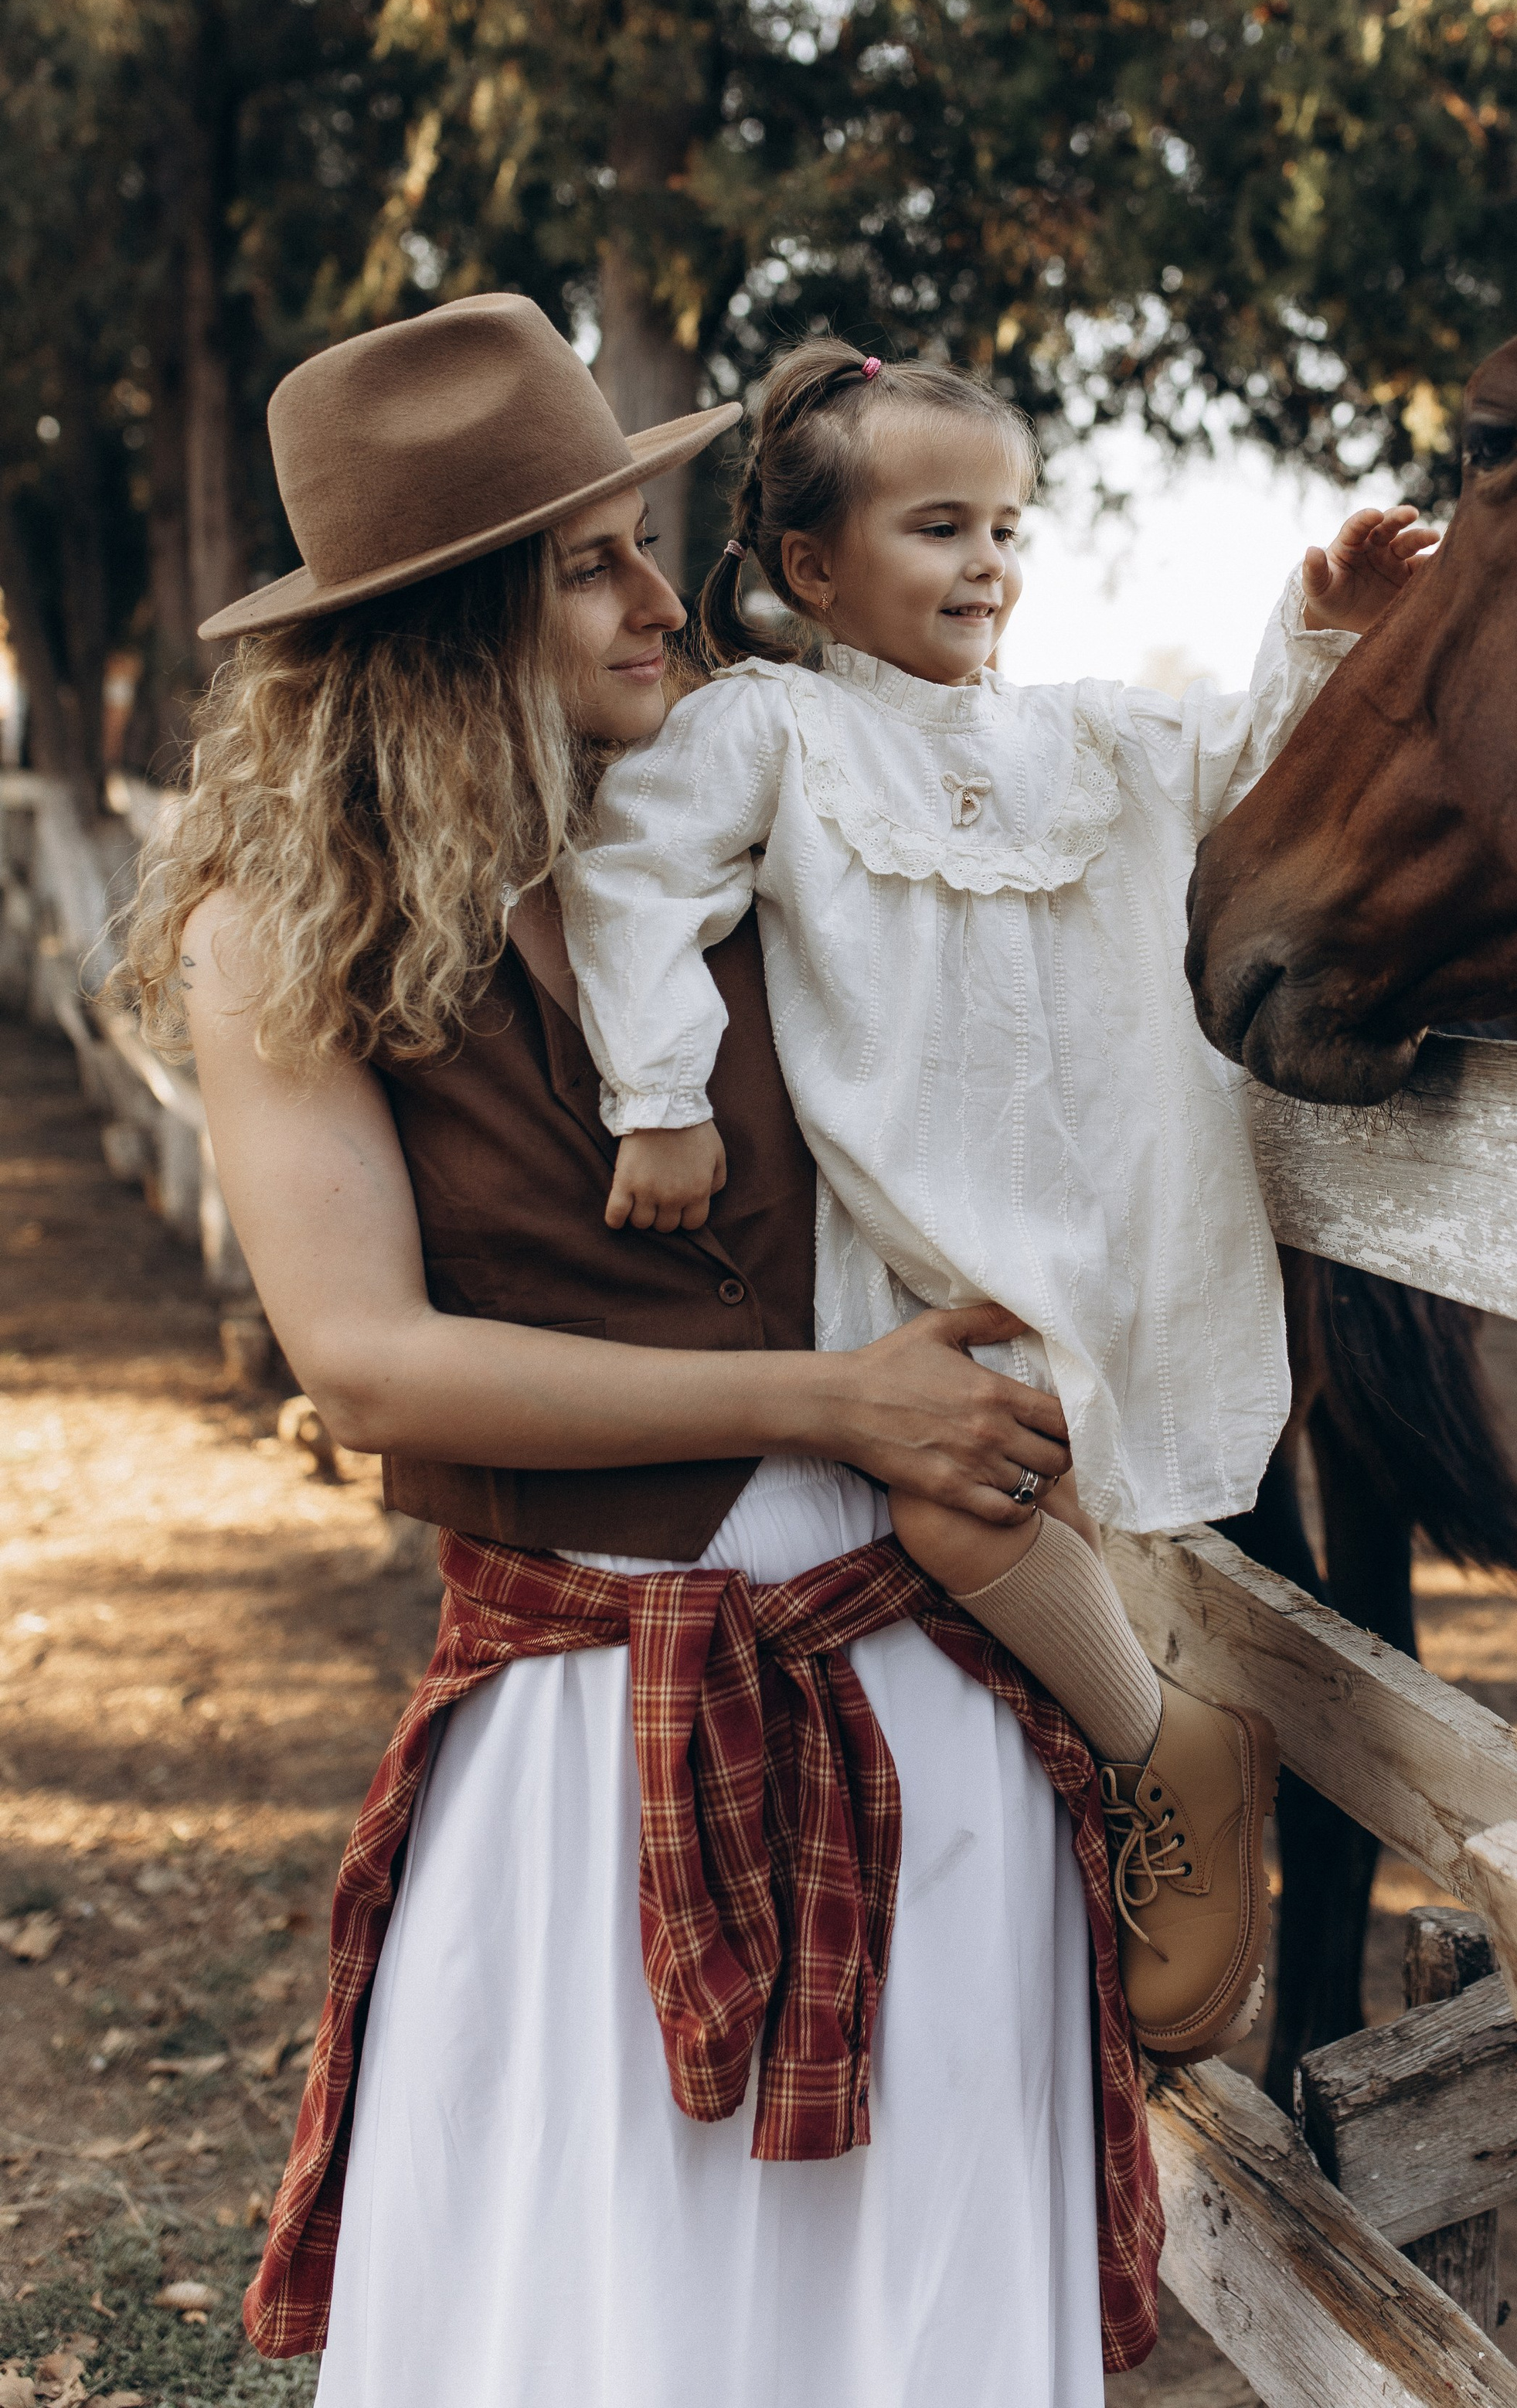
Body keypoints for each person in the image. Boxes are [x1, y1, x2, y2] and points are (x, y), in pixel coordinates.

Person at [120, 293, 1162, 2408]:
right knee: (601, 2323)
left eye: (641, 539)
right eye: (588, 561)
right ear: (447, 620)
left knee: (908, 2316)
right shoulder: (279, 927)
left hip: (916, 1709)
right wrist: (821, 1401)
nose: (657, 599)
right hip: (590, 1741)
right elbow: (376, 1368)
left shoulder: (755, 836)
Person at [557, 337, 1437, 2062]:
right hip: (929, 1234)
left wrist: (1319, 622)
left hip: (1118, 1196)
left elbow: (1256, 754)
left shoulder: (1088, 736)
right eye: (938, 527)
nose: (987, 566)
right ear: (812, 568)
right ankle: (1157, 1752)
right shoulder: (775, 727)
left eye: (1007, 528)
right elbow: (630, 872)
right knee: (955, 1500)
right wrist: (655, 1097)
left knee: (1073, 1512)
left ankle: (1112, 1794)